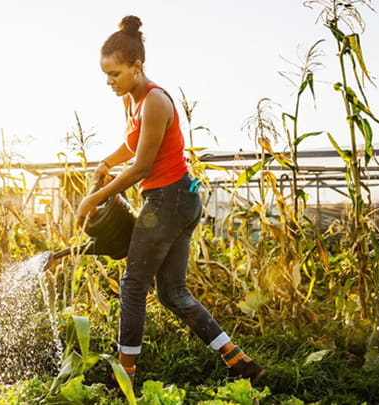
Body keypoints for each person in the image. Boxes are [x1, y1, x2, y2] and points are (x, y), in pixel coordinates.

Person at [75, 15, 265, 385]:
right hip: (175, 201)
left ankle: (124, 375)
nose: (109, 82)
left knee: (132, 284)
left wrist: (93, 198)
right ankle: (240, 362)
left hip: (169, 200)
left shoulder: (155, 101)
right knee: (173, 295)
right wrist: (105, 163)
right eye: (105, 75)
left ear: (136, 66)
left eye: (114, 74)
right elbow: (132, 145)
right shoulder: (131, 101)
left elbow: (143, 166)